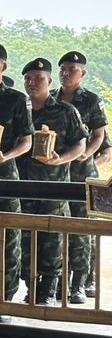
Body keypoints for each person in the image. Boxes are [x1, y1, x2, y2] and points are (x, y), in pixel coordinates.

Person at [18, 57, 87, 305]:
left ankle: (48, 291)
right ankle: (31, 289)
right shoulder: (20, 108)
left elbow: (80, 144)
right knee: (25, 241)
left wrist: (60, 160)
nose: (32, 83)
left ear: (49, 81)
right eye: (28, 79)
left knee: (52, 241)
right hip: (21, 187)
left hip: (53, 187)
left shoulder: (65, 111)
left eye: (38, 79)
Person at [52, 51, 107, 303]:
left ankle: (80, 283)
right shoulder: (52, 100)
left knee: (83, 230)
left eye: (72, 70)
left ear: (82, 73)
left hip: (84, 175)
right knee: (59, 229)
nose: (66, 73)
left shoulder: (91, 100)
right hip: (57, 174)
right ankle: (59, 282)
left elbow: (99, 136)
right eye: (63, 69)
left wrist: (87, 154)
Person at [0, 44, 32, 321]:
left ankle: (4, 300)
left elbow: (26, 141)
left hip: (3, 178)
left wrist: (6, 156)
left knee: (7, 241)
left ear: (3, 67)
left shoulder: (16, 99)